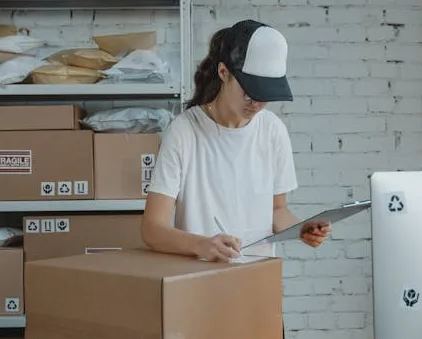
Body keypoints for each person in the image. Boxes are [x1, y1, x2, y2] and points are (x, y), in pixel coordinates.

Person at [141, 19, 332, 264]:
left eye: (265, 95)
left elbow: (277, 210)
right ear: (223, 73)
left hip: (256, 277)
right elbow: (152, 229)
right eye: (250, 91)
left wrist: (302, 228)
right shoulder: (184, 131)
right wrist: (202, 245)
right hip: (199, 279)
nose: (256, 103)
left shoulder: (273, 131)